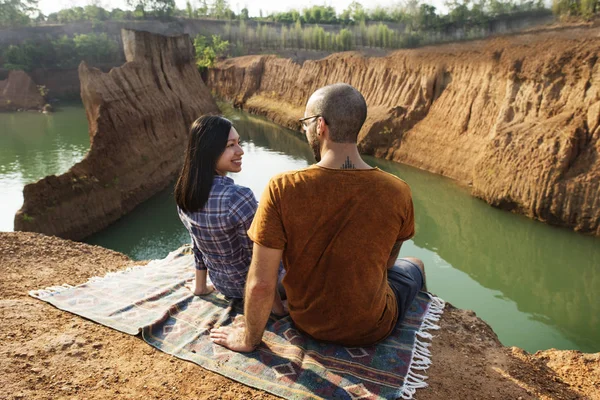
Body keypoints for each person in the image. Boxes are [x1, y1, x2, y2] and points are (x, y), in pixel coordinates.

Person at [210, 83, 426, 352]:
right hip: (372, 327)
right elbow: (387, 262)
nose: (305, 130)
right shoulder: (398, 191)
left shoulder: (282, 188)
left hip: (307, 322)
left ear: (320, 126)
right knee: (415, 263)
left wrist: (248, 340)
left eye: (305, 123)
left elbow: (262, 283)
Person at [174, 115, 285, 315]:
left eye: (239, 143)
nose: (240, 151)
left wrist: (201, 288)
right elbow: (257, 259)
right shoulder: (237, 197)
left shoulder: (185, 192)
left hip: (224, 285)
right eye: (230, 145)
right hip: (258, 288)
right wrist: (277, 309)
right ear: (209, 151)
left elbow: (197, 244)